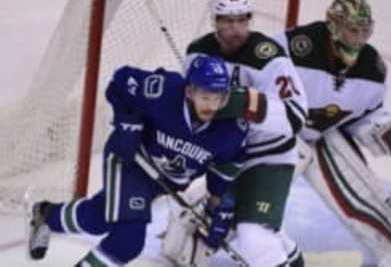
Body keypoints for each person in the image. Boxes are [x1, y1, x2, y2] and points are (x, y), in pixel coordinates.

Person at [27, 55, 264, 266]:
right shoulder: (164, 90)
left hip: (161, 182)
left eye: (218, 98)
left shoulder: (232, 129)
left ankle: (47, 215)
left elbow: (222, 169)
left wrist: (217, 207)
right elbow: (120, 81)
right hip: (131, 161)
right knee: (128, 241)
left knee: (99, 218)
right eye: (205, 97)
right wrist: (127, 122)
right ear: (189, 91)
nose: (212, 106)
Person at [274, 0, 391, 267]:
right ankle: (192, 241)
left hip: (322, 136)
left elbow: (366, 115)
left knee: (366, 195)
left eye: (365, 30)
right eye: (352, 29)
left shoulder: (372, 68)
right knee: (236, 201)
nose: (359, 38)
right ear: (334, 24)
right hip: (275, 134)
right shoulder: (295, 46)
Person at [166, 0, 308, 267]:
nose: (236, 28)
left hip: (268, 156)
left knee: (253, 238)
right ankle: (291, 258)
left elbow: (295, 117)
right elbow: (191, 105)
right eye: (228, 21)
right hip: (225, 155)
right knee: (194, 226)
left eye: (242, 19)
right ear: (215, 21)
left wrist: (237, 101)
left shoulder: (268, 57)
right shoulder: (199, 52)